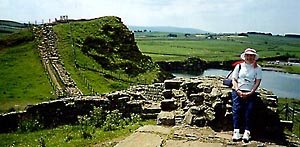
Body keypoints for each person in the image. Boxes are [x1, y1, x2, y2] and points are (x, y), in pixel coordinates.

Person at [231, 48, 262, 142]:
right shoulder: (239, 66)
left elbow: (257, 81)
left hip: (250, 92)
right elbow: (234, 79)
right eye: (247, 55)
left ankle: (246, 132)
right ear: (244, 56)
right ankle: (236, 132)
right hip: (237, 91)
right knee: (236, 111)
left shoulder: (258, 68)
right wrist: (237, 90)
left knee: (249, 112)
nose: (249, 57)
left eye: (251, 56)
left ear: (254, 57)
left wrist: (251, 92)